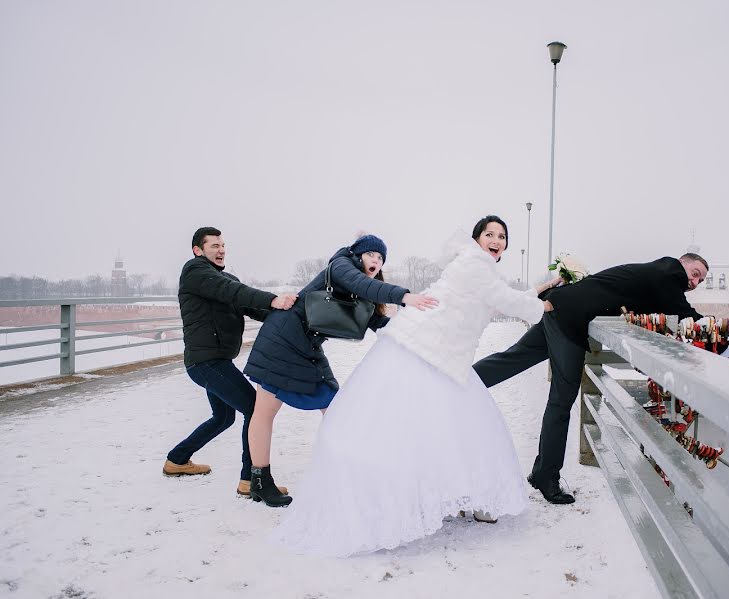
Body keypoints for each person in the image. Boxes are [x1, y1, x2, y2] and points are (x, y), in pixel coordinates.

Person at [270, 216, 560, 556]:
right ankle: (442, 499)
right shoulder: (473, 263)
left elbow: (502, 297)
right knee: (435, 427)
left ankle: (467, 495)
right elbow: (506, 300)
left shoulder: (480, 268)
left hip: (442, 355)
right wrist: (542, 306)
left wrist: (545, 286)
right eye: (489, 234)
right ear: (477, 239)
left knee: (451, 427)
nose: (496, 240)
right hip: (426, 350)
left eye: (501, 236)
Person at [473, 253, 729, 505]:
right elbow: (691, 319)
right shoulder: (670, 273)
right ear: (682, 263)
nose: (694, 282)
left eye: (700, 281)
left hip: (560, 307)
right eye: (695, 274)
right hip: (569, 321)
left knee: (512, 359)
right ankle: (546, 476)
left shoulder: (657, 273)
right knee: (561, 401)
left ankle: (463, 380)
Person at [242, 234, 438, 507]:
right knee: (265, 411)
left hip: (304, 344)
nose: (376, 261)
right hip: (283, 338)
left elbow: (377, 322)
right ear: (358, 254)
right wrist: (405, 297)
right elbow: (361, 284)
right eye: (372, 254)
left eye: (381, 258)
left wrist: (415, 331)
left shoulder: (362, 289)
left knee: (334, 406)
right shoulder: (341, 266)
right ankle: (260, 481)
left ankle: (341, 473)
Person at [164, 226, 298, 498]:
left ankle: (177, 459)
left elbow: (253, 307)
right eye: (214, 245)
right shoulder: (195, 272)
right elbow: (233, 292)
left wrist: (293, 314)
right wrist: (274, 299)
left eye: (223, 245)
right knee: (254, 408)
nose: (221, 249)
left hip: (216, 360)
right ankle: (249, 479)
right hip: (206, 362)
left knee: (223, 417)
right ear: (198, 251)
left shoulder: (224, 280)